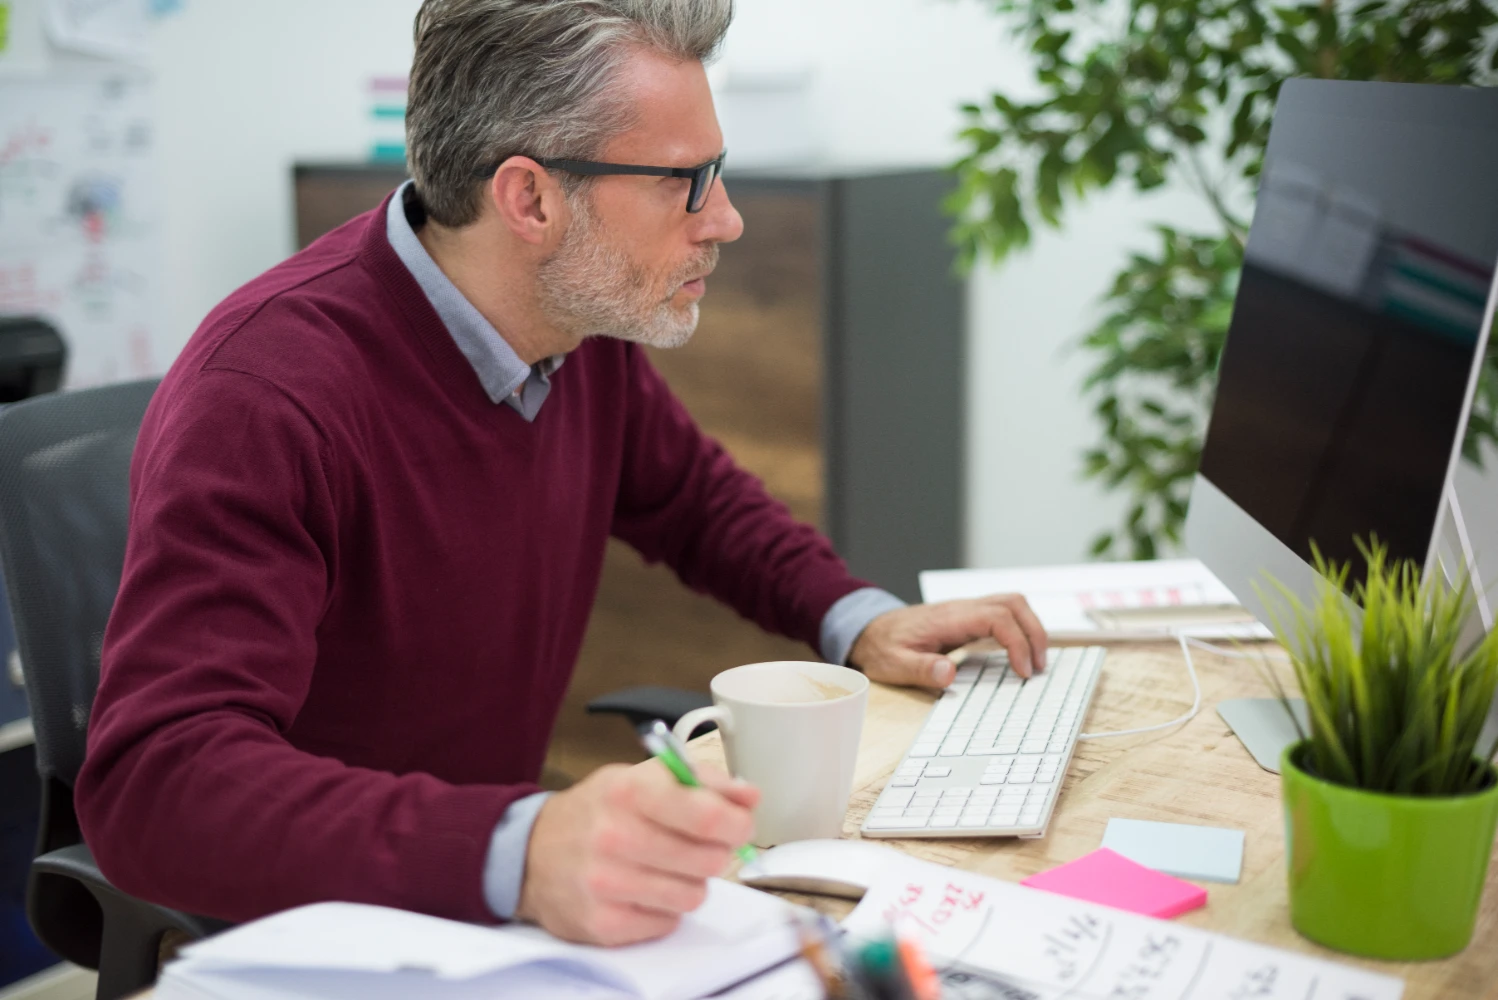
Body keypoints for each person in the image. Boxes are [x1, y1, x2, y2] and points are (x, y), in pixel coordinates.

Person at [76, 0, 1047, 947]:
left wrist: (858, 617)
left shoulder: (570, 327)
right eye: (686, 182)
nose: (728, 221)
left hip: (491, 903)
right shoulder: (265, 396)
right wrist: (524, 844)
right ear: (530, 199)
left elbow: (694, 501)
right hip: (336, 933)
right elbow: (153, 782)